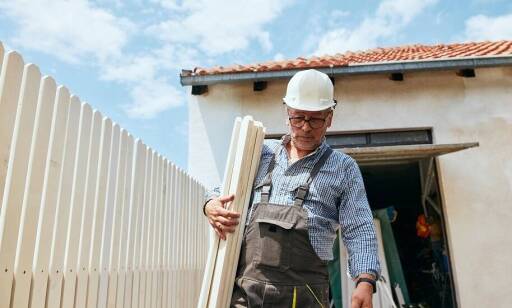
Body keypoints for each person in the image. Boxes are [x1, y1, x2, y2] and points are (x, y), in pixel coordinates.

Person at [203, 69, 380, 308]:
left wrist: (365, 281)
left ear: (329, 117)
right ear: (287, 114)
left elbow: (359, 228)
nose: (306, 127)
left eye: (315, 119)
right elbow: (220, 189)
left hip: (306, 297)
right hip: (247, 294)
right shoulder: (260, 152)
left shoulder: (343, 168)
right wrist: (210, 205)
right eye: (298, 118)